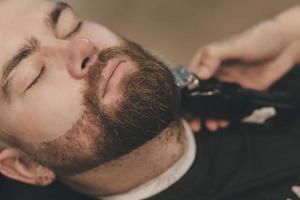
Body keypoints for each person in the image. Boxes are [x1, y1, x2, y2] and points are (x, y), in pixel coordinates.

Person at [1, 1, 300, 200]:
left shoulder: (271, 70)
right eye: (34, 74)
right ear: (25, 165)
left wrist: (288, 31)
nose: (82, 45)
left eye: (70, 25)